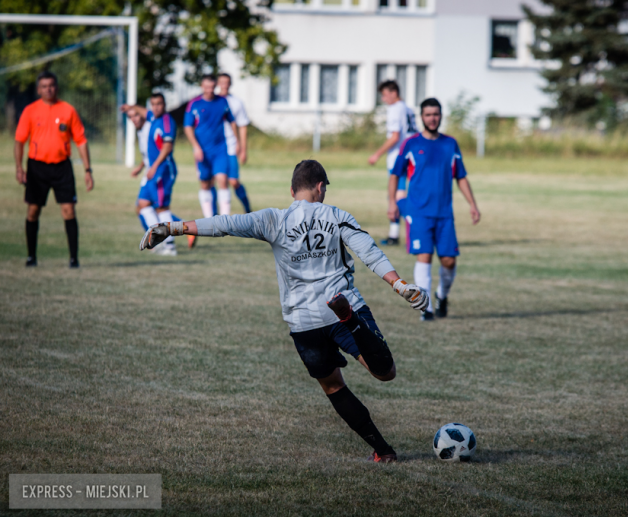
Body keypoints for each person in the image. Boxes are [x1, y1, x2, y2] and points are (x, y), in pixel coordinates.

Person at [139, 160, 430, 462]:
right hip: (341, 306)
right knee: (384, 372)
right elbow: (370, 252)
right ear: (321, 187)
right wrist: (399, 285)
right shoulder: (336, 216)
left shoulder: (274, 219)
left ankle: (383, 451)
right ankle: (351, 323)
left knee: (332, 386)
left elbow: (224, 224)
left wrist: (172, 227)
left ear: (292, 191)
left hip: (304, 322)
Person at [389, 98, 480, 321]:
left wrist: (472, 204)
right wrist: (392, 202)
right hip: (419, 212)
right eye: (428, 114)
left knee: (449, 261)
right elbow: (395, 174)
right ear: (422, 117)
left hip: (445, 214)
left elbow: (461, 177)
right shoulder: (410, 144)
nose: (432, 118)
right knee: (424, 257)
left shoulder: (450, 144)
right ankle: (426, 308)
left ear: (441, 116)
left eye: (436, 114)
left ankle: (442, 295)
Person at [14, 70, 94, 269]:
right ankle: (31, 256)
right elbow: (19, 140)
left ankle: (74, 259)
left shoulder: (68, 110)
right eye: (44, 86)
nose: (48, 89)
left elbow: (81, 141)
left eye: (51, 85)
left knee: (69, 211)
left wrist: (87, 170)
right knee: (33, 211)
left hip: (61, 167)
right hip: (37, 167)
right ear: (38, 89)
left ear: (56, 87)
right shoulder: (30, 111)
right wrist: (19, 167)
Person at [122, 95, 181, 255]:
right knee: (143, 204)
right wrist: (130, 106)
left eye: (159, 104)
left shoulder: (167, 122)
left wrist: (153, 166)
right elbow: (143, 111)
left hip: (163, 170)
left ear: (164, 104)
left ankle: (170, 246)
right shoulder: (153, 118)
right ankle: (158, 241)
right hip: (153, 170)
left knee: (162, 208)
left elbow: (167, 147)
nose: (156, 107)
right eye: (153, 104)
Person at [368, 80, 418, 246]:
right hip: (411, 157)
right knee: (400, 195)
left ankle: (417, 227)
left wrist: (377, 154)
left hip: (398, 157)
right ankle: (394, 234)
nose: (383, 99)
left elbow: (395, 136)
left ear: (393, 93)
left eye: (384, 95)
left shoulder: (395, 109)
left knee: (396, 197)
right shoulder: (407, 108)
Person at [184, 74, 238, 221]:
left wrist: (237, 140)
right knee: (205, 182)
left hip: (220, 149)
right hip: (202, 150)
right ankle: (208, 219)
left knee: (222, 179)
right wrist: (196, 147)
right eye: (206, 87)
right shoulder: (194, 104)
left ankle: (225, 219)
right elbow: (187, 127)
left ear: (215, 86)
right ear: (202, 87)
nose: (209, 90)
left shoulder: (222, 101)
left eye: (212, 87)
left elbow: (231, 120)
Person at [217, 73, 252, 213]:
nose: (224, 85)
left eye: (227, 82)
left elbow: (242, 126)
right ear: (218, 84)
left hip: (231, 146)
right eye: (222, 82)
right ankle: (217, 214)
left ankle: (247, 208)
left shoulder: (236, 102)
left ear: (230, 84)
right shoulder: (213, 101)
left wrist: (243, 149)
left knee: (233, 181)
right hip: (215, 147)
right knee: (219, 180)